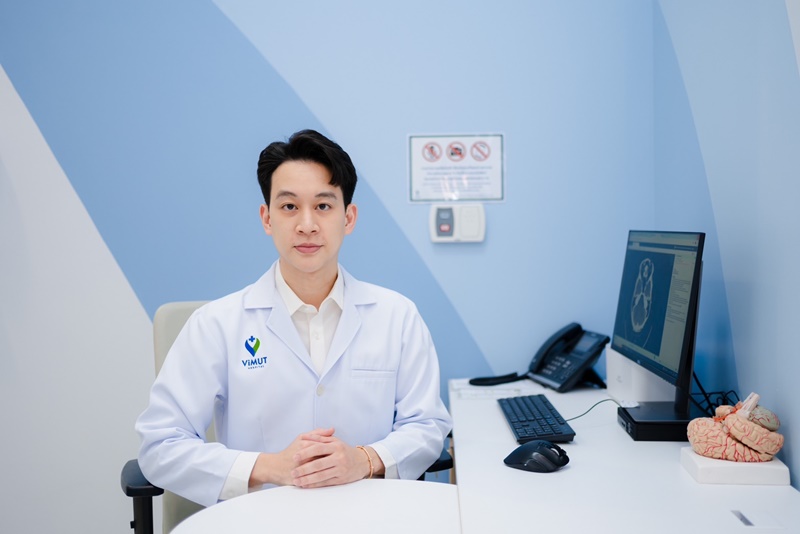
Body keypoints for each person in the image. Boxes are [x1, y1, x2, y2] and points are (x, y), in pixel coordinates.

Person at [136, 129, 452, 507]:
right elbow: (160, 445)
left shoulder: (397, 316)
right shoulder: (215, 325)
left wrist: (364, 460)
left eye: (323, 206)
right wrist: (269, 467)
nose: (306, 224)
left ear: (349, 218)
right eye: (289, 206)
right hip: (259, 519)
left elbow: (427, 425)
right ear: (267, 218)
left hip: (369, 516)